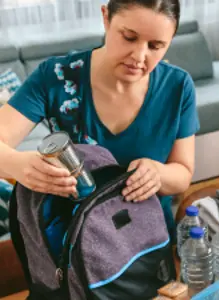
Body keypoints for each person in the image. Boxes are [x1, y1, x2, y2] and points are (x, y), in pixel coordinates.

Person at [0, 0, 199, 239]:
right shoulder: (55, 77)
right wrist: (16, 163)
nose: (139, 56)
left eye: (156, 46)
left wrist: (158, 173)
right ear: (106, 17)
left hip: (148, 245)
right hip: (74, 246)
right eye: (129, 37)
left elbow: (183, 173)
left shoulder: (178, 87)